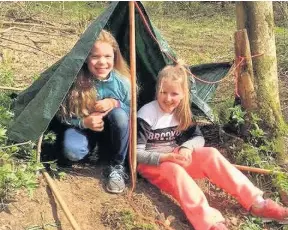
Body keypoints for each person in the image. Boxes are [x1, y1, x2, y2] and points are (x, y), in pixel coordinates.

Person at [136, 62, 288, 230]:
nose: (168, 98)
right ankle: (209, 222)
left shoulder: (182, 113)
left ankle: (257, 203)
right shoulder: (146, 114)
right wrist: (165, 157)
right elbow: (136, 154)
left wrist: (187, 147)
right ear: (157, 90)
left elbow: (198, 138)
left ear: (183, 94)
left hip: (173, 155)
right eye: (163, 92)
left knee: (211, 154)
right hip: (151, 163)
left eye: (174, 93)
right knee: (175, 170)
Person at [58, 30, 130, 194]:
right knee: (72, 152)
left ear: (115, 57)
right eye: (95, 56)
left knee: (119, 115)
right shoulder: (75, 82)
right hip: (84, 129)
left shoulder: (123, 82)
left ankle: (117, 165)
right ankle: (93, 149)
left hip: (113, 132)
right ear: (85, 59)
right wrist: (84, 122)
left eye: (107, 56)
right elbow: (61, 115)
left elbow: (132, 110)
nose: (102, 62)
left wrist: (114, 103)